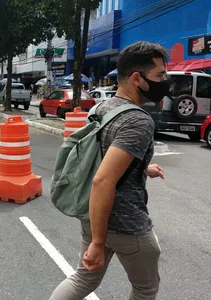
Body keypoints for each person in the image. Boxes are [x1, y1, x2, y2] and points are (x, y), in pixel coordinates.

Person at [50, 41, 167, 300]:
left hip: (93, 216)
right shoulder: (138, 120)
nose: (165, 81)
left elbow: (102, 155)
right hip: (127, 224)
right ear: (137, 79)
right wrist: (99, 242)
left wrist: (142, 167)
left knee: (82, 279)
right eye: (160, 75)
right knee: (145, 288)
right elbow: (102, 180)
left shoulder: (102, 108)